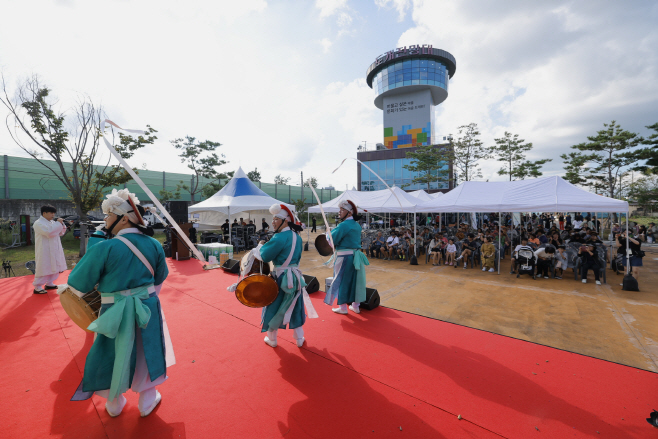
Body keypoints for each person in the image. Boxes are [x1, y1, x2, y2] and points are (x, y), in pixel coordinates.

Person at [66, 189, 172, 418]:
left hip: (112, 308)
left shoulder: (104, 247)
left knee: (109, 352)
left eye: (108, 215)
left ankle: (113, 402)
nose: (104, 219)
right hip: (147, 305)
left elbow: (77, 284)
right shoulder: (154, 244)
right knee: (148, 350)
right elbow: (160, 278)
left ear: (123, 218)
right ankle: (147, 399)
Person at [254, 204, 316, 348]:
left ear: (285, 220)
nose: (273, 222)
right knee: (295, 306)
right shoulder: (297, 237)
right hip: (295, 277)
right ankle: (299, 338)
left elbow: (264, 256)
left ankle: (272, 340)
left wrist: (260, 246)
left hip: (280, 277)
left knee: (273, 306)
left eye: (276, 218)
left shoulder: (279, 237)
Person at [324, 200, 369, 315]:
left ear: (349, 213)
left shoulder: (344, 225)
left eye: (342, 210)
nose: (339, 212)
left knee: (341, 281)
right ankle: (355, 306)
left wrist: (327, 234)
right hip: (355, 257)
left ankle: (343, 307)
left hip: (344, 257)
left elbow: (332, 241)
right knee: (355, 281)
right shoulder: (356, 225)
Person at [32, 205, 68, 294]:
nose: (53, 215)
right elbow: (49, 232)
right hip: (44, 249)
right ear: (44, 213)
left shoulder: (51, 222)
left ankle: (50, 283)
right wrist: (58, 223)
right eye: (51, 213)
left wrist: (62, 224)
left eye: (54, 213)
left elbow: (60, 233)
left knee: (55, 265)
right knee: (44, 266)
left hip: (55, 247)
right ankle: (38, 286)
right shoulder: (38, 223)